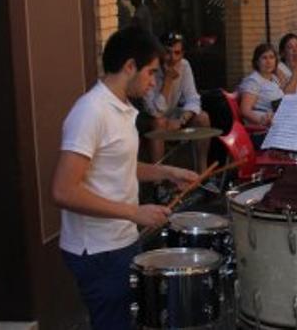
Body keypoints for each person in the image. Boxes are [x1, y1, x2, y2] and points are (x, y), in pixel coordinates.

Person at [52, 27, 197, 330]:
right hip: (97, 250)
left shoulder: (122, 108)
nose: (153, 82)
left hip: (121, 241)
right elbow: (64, 190)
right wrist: (136, 212)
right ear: (130, 66)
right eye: (150, 73)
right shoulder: (90, 112)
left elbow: (118, 166)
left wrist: (167, 172)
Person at [144, 32, 212, 171]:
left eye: (177, 53)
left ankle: (202, 173)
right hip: (146, 117)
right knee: (159, 122)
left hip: (170, 112)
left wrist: (181, 120)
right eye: (168, 53)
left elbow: (193, 98)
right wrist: (168, 81)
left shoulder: (184, 65)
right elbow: (155, 112)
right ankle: (158, 183)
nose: (172, 58)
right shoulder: (150, 67)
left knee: (203, 118)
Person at [239, 43, 287, 127]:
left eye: (272, 57)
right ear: (257, 62)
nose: (268, 62)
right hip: (263, 129)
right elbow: (245, 110)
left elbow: (284, 83)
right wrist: (263, 120)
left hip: (279, 122)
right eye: (264, 58)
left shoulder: (273, 78)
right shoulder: (253, 81)